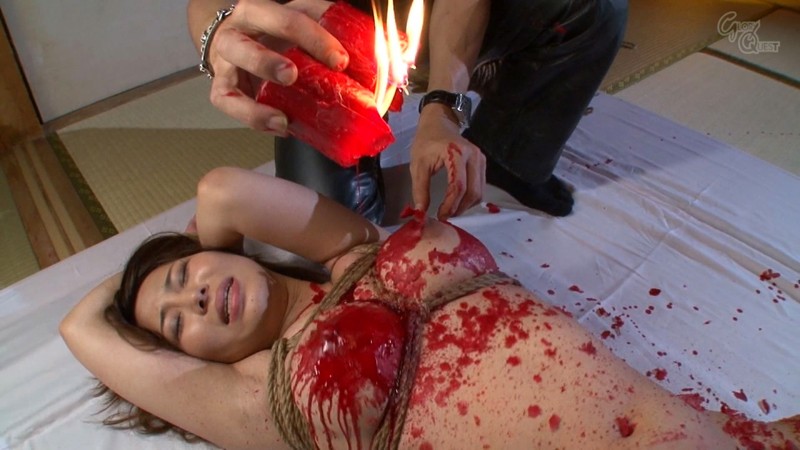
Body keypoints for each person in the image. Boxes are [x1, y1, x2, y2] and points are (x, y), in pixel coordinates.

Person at [61, 167, 799, 449]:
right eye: (176, 322)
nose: (192, 295)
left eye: (184, 274)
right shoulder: (261, 400)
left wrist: (181, 255)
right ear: (189, 363)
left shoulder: (351, 251)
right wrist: (138, 296)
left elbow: (221, 190)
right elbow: (78, 327)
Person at [186, 0, 628, 224]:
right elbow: (205, 4)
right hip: (315, 29)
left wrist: (442, 107)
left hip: (435, 13)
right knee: (337, 234)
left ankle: (510, 158)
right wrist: (216, 31)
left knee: (594, 7)